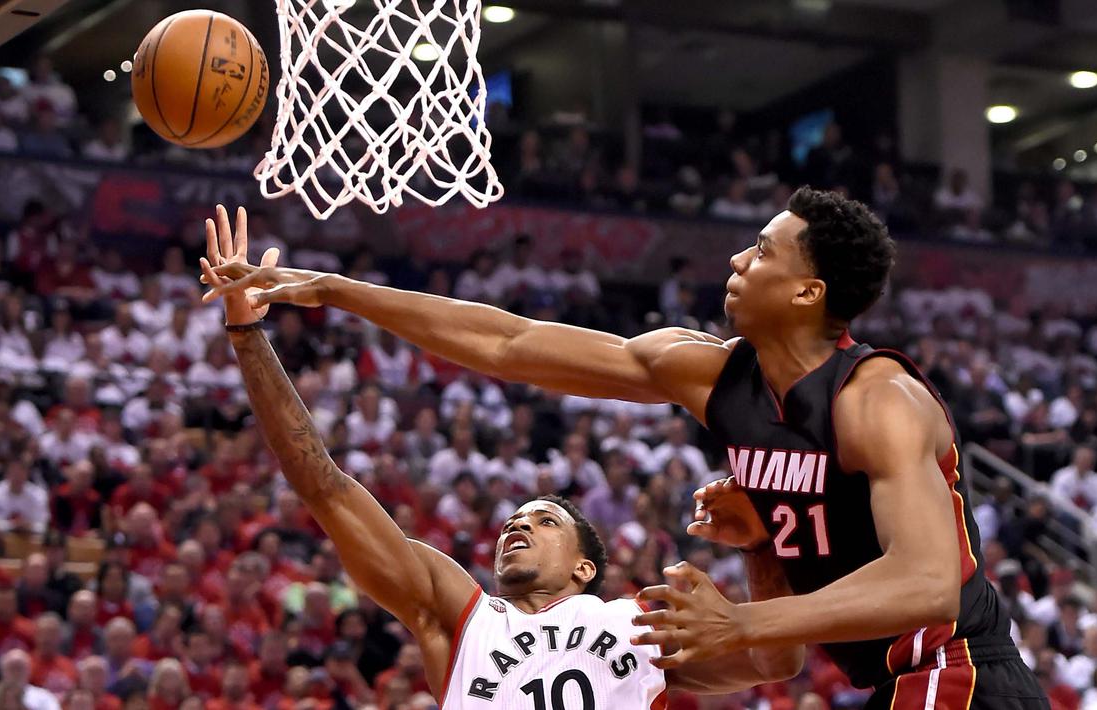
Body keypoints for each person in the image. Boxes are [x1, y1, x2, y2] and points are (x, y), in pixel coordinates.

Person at [204, 187, 1046, 707]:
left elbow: (929, 583)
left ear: (807, 290)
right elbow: (509, 343)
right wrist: (333, 290)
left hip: (956, 670)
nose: (736, 256)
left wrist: (740, 619)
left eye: (760, 249)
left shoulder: (878, 401)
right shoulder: (710, 375)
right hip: (892, 682)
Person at [197, 207, 803, 707]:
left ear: (584, 569)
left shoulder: (636, 622)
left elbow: (775, 660)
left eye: (545, 521)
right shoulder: (460, 618)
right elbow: (323, 485)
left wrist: (762, 552)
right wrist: (247, 336)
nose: (519, 523)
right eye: (518, 518)